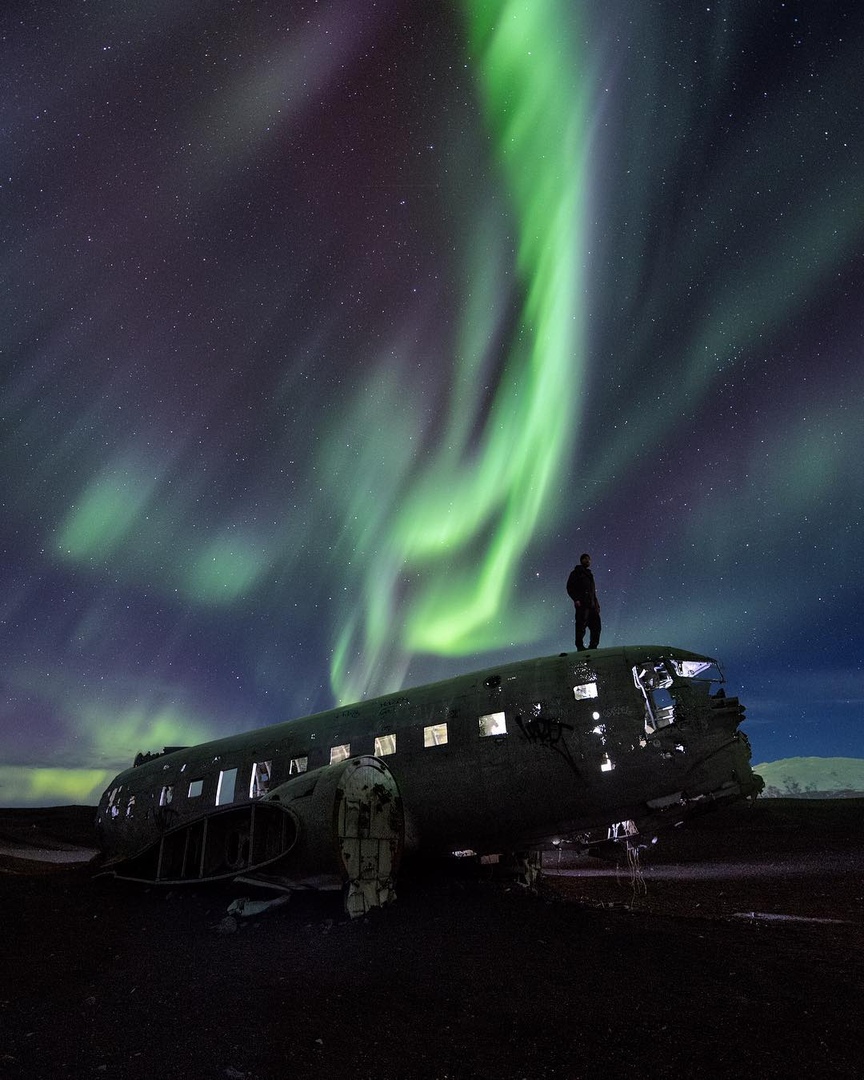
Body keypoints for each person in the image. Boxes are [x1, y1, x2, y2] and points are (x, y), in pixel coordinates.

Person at [566, 552, 601, 651]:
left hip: (592, 605)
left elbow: (592, 591)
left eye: (589, 559)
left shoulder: (590, 575)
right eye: (586, 559)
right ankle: (580, 646)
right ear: (581, 561)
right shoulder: (576, 573)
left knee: (596, 626)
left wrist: (597, 603)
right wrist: (576, 599)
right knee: (581, 626)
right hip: (582, 603)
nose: (588, 561)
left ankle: (593, 646)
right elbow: (570, 587)